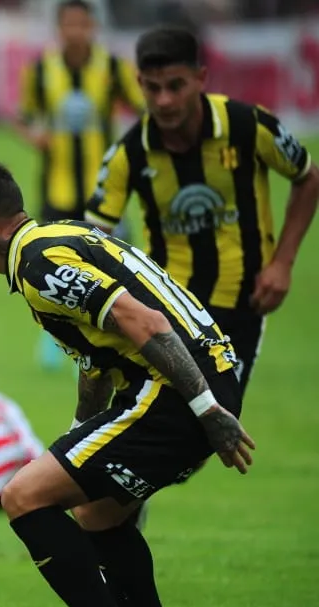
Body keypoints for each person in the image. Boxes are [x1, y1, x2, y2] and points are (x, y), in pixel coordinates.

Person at [0, 158, 255, 607]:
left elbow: (144, 323)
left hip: (178, 392)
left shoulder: (36, 265)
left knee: (23, 495)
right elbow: (97, 353)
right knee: (98, 513)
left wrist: (206, 409)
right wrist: (83, 431)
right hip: (191, 382)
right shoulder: (60, 238)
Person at [85, 26, 319, 394]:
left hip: (242, 303)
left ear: (201, 78)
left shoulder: (249, 126)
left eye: (175, 86)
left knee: (209, 423)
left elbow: (307, 177)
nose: (163, 100)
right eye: (152, 88)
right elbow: (95, 238)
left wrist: (282, 264)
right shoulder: (127, 154)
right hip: (166, 307)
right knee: (177, 427)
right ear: (139, 83)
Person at [16, 0, 146, 370]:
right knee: (49, 261)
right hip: (57, 186)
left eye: (82, 24)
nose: (76, 32)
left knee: (112, 261)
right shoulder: (41, 71)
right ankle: (54, 338)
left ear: (93, 27)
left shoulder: (114, 68)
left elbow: (143, 110)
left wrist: (127, 149)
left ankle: (122, 333)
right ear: (59, 28)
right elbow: (23, 118)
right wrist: (35, 137)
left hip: (104, 189)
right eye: (69, 24)